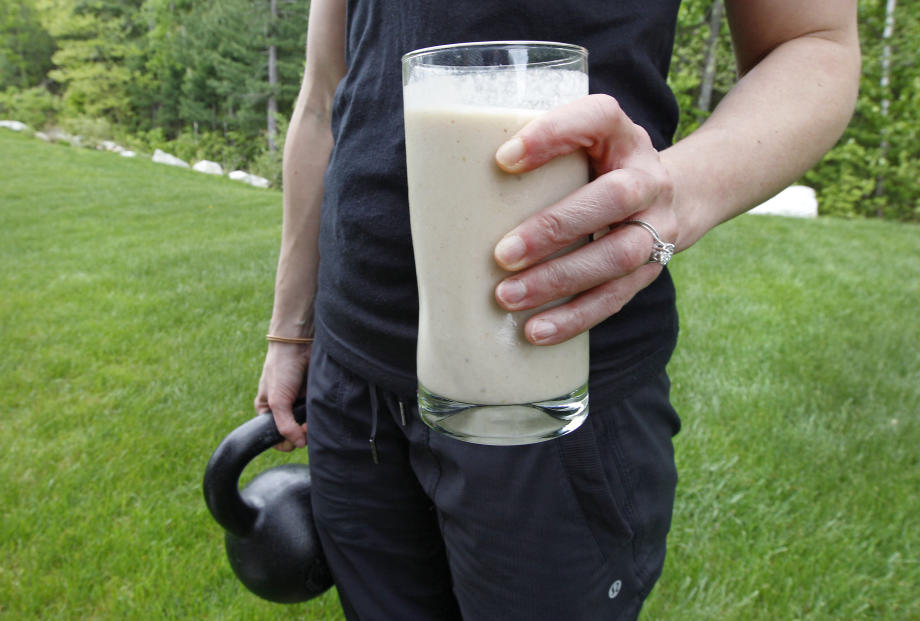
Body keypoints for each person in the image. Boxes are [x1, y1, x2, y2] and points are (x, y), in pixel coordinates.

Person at [253, 1, 860, 619]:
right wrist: (291, 331)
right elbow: (325, 91)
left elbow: (814, 41)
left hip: (554, 384)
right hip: (351, 381)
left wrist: (676, 191)